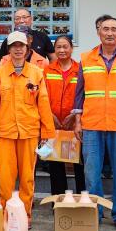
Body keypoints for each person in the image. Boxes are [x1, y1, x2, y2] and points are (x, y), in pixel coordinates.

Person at [73, 16, 116, 231]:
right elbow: (79, 94)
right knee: (91, 172)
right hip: (92, 123)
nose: (110, 33)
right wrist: (78, 121)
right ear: (98, 32)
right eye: (106, 29)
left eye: (114, 29)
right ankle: (95, 212)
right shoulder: (86, 58)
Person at [0, 30, 56, 224]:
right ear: (8, 49)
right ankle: (5, 216)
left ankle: (25, 217)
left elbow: (43, 103)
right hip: (5, 132)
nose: (18, 49)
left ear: (27, 48)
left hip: (29, 132)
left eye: (21, 46)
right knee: (5, 179)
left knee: (27, 178)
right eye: (14, 46)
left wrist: (46, 132)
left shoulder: (36, 73)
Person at [43, 35, 85, 195]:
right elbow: (42, 96)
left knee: (79, 164)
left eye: (65, 47)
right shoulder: (47, 70)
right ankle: (58, 199)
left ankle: (82, 198)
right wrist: (50, 115)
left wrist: (75, 115)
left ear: (71, 49)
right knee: (55, 164)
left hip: (75, 125)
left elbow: (84, 96)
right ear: (54, 50)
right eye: (58, 47)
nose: (62, 50)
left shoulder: (80, 70)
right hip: (53, 125)